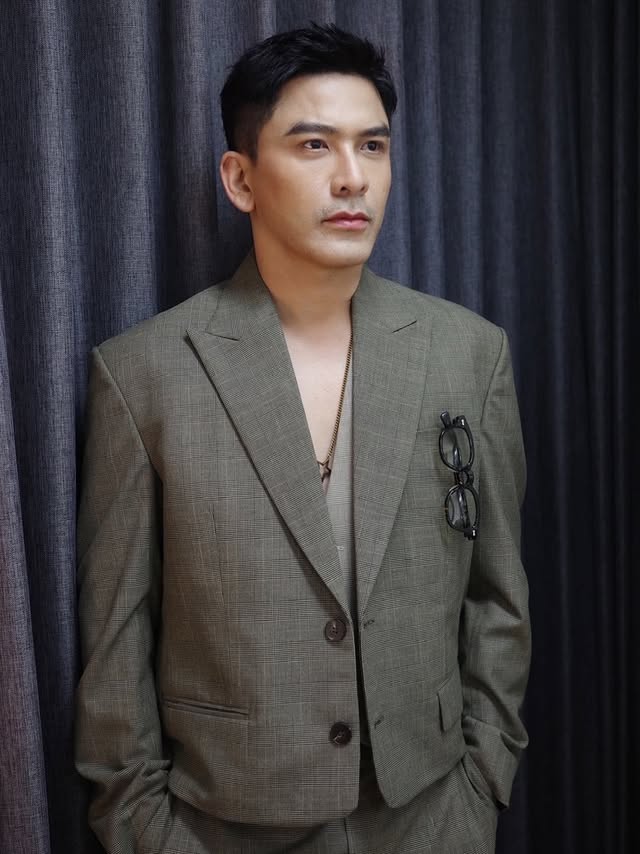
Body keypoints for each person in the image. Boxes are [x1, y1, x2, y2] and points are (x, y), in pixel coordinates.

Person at [75, 23, 530, 854]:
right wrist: (146, 829)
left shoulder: (470, 354)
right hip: (222, 827)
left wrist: (480, 785)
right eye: (314, 145)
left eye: (373, 146)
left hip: (431, 818)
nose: (353, 176)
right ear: (241, 178)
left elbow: (498, 597)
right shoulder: (143, 375)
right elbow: (116, 643)